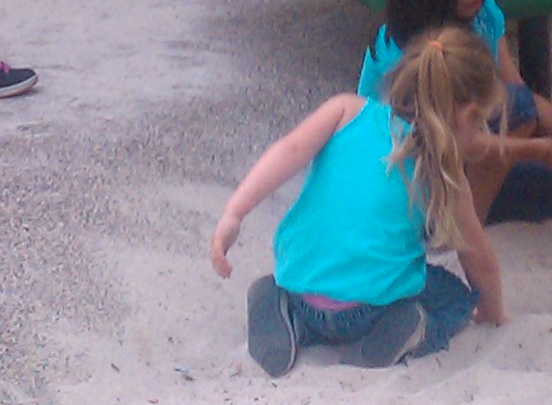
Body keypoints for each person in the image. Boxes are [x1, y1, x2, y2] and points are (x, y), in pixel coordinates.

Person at [211, 28, 509, 375]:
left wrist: (234, 213)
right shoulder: (446, 175)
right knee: (454, 298)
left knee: (311, 287)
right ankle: (404, 328)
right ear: (468, 115)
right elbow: (479, 259)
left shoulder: (345, 110)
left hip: (301, 288)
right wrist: (493, 312)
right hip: (370, 311)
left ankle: (286, 312)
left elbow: (289, 150)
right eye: (480, 124)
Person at [362, 0, 552, 224]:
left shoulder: (482, 11)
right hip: (414, 171)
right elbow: (446, 140)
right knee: (523, 121)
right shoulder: (407, 55)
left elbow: (513, 84)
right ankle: (463, 225)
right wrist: (533, 150)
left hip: (465, 146)